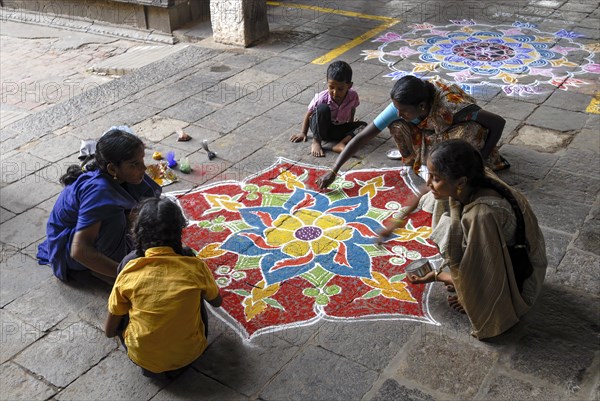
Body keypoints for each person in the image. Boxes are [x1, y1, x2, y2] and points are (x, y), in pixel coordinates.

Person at [382, 140, 547, 340]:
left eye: (435, 178)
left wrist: (440, 276)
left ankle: (467, 290)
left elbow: (484, 268)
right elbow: (427, 190)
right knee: (441, 202)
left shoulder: (481, 215)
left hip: (522, 280)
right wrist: (397, 220)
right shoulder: (475, 176)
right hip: (518, 252)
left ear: (460, 182)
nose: (428, 183)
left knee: (451, 228)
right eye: (430, 175)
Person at [316, 75, 509, 189]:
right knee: (397, 125)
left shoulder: (451, 106)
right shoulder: (403, 105)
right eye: (397, 108)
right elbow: (363, 136)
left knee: (467, 135)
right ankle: (420, 162)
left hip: (456, 130)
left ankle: (467, 168)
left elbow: (498, 122)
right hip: (434, 132)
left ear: (422, 106)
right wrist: (334, 170)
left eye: (404, 110)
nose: (398, 113)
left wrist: (482, 158)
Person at [105, 197, 222, 378]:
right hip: (190, 354)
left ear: (137, 232)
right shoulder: (193, 265)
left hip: (143, 358)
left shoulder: (129, 267)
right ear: (179, 231)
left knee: (124, 303)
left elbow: (109, 330)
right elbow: (216, 302)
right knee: (197, 292)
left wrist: (119, 331)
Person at [37, 128, 161, 283]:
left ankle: (114, 253)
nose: (143, 168)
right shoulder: (99, 192)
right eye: (134, 164)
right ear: (112, 169)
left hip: (90, 231)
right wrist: (126, 275)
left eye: (142, 160)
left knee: (142, 200)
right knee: (116, 218)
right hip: (70, 249)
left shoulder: (121, 176)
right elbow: (79, 250)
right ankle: (104, 270)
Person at [289, 60, 367, 157]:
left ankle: (341, 143)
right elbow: (309, 114)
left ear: (349, 86)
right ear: (327, 83)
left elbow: (352, 108)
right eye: (331, 87)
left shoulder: (352, 95)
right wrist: (303, 133)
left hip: (337, 131)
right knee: (322, 109)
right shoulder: (321, 98)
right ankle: (316, 141)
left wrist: (350, 123)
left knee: (364, 126)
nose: (335, 92)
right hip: (321, 130)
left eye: (340, 89)